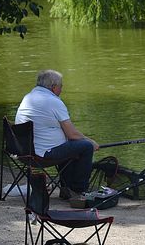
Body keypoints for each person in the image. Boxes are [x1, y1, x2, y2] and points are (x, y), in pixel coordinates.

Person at [15, 69, 99, 199]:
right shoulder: (54, 101)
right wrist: (90, 141)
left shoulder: (29, 97)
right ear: (54, 87)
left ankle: (67, 188)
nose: (61, 90)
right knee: (85, 146)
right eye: (61, 87)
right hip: (42, 155)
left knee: (69, 145)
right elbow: (72, 134)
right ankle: (78, 190)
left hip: (23, 152)